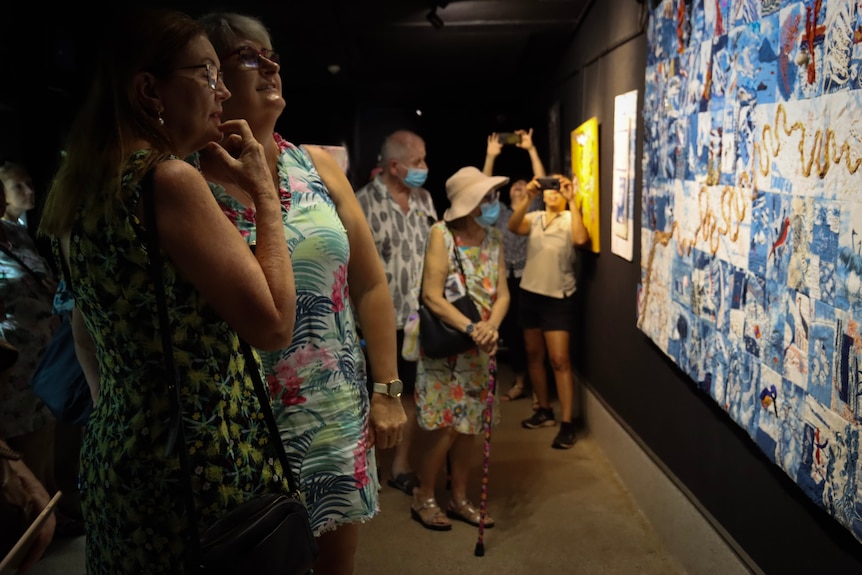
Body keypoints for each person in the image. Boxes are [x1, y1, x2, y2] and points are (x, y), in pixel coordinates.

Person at [37, 8, 298, 573]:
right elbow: (275, 324)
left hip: (120, 449)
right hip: (199, 454)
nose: (223, 91)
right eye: (207, 73)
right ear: (148, 89)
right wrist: (264, 192)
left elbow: (87, 332)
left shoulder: (80, 187)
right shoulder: (168, 180)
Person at [195, 12, 405, 575]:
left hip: (333, 405)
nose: (269, 68)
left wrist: (387, 388)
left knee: (337, 562)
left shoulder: (316, 165)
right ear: (212, 77)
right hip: (244, 418)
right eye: (247, 57)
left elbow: (370, 283)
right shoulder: (187, 182)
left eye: (271, 56)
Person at [411, 166, 510, 531]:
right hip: (450, 347)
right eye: (486, 197)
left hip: (482, 348)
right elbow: (432, 297)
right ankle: (424, 494)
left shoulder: (495, 238)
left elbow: (503, 294)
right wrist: (472, 327)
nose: (492, 203)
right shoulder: (441, 235)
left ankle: (459, 498)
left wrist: (491, 327)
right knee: (446, 427)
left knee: (471, 426)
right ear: (469, 202)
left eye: (492, 196)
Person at [354, 129, 438, 498]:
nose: (424, 168)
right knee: (374, 394)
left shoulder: (424, 200)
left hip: (419, 320)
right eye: (418, 161)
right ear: (393, 166)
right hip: (377, 325)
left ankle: (401, 466)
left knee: (414, 391)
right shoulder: (361, 204)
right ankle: (366, 468)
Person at [508, 174, 589, 450]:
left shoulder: (569, 219)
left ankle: (567, 424)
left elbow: (580, 239)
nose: (552, 191)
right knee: (534, 355)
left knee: (559, 360)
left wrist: (572, 201)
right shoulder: (536, 217)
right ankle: (543, 409)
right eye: (548, 187)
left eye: (558, 186)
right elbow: (513, 226)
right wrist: (528, 197)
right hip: (530, 294)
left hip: (558, 298)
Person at [482, 129, 546, 405]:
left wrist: (531, 150)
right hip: (503, 280)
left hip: (530, 278)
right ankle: (520, 381)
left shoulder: (535, 210)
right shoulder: (500, 214)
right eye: (515, 185)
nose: (519, 186)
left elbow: (543, 182)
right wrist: (490, 156)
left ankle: (537, 386)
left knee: (532, 333)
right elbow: (482, 192)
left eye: (524, 184)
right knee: (510, 332)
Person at [0, 162, 36, 227]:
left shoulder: (18, 226)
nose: (30, 191)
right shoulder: (6, 232)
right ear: (2, 194)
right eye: (18, 186)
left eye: (29, 183)